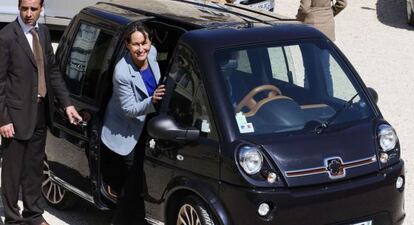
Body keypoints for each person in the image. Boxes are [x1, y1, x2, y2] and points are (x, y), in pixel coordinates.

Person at [0, 0, 83, 224]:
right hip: (15, 116)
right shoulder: (7, 36)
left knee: (34, 167)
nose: (28, 14)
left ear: (41, 8)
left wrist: (67, 103)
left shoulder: (44, 32)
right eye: (24, 8)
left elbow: (53, 71)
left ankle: (33, 214)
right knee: (12, 171)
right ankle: (12, 218)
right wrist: (3, 119)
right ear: (18, 8)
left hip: (40, 111)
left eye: (33, 9)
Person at [100, 22, 165, 225]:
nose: (141, 49)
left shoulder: (152, 53)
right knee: (132, 186)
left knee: (137, 183)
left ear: (150, 41)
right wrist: (153, 100)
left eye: (144, 43)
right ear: (127, 45)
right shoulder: (122, 72)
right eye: (135, 44)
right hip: (126, 132)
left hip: (147, 124)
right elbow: (130, 109)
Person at [296, 0, 347, 96]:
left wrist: (298, 19)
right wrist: (329, 13)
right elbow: (343, 3)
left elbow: (304, 9)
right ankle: (330, 99)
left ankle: (309, 99)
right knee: (325, 68)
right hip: (327, 26)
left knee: (309, 68)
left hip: (311, 27)